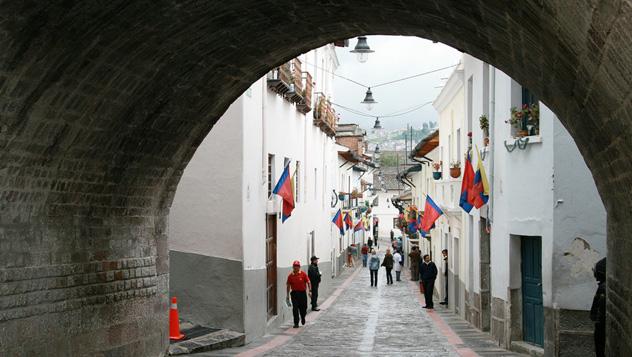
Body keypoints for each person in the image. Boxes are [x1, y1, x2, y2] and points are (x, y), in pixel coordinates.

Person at [286, 260, 311, 328]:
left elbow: (308, 282)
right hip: (294, 294)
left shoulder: (303, 274)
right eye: (294, 266)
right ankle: (296, 323)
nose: (296, 268)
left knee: (304, 308)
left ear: (299, 267)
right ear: (293, 267)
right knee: (295, 308)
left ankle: (303, 317)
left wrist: (310, 291)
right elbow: (288, 285)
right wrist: (287, 296)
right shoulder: (290, 276)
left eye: (297, 266)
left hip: (302, 293)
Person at [590, 257, 606, 357]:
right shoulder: (603, 286)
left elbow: (597, 309)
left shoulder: (603, 288)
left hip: (601, 326)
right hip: (601, 324)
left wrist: (595, 317)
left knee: (600, 348)